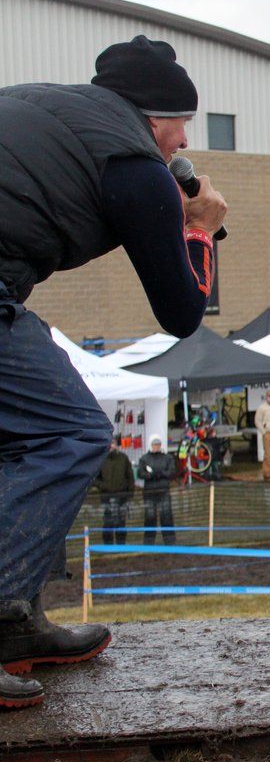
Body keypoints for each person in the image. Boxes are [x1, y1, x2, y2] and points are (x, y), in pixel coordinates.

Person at [0, 35, 227, 708]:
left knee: (20, 437)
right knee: (67, 430)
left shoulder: (54, 107)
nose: (184, 137)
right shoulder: (133, 165)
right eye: (180, 121)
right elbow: (182, 312)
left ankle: (14, 623)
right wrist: (200, 228)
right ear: (153, 117)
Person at [136, 435, 177, 545]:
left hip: (164, 491)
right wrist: (150, 475)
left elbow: (172, 471)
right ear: (151, 445)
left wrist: (161, 473)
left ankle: (170, 542)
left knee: (166, 516)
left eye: (158, 444)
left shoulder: (167, 458)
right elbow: (140, 473)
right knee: (150, 517)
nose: (157, 446)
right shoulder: (144, 458)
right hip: (149, 492)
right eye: (155, 444)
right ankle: (148, 543)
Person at [95, 437, 134, 544]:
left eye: (113, 444)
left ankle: (121, 543)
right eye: (109, 444)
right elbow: (95, 478)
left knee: (121, 520)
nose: (111, 446)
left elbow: (130, 476)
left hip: (122, 495)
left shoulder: (123, 458)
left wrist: (130, 494)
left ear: (117, 446)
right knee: (107, 521)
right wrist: (103, 486)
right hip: (106, 496)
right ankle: (108, 544)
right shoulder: (101, 459)